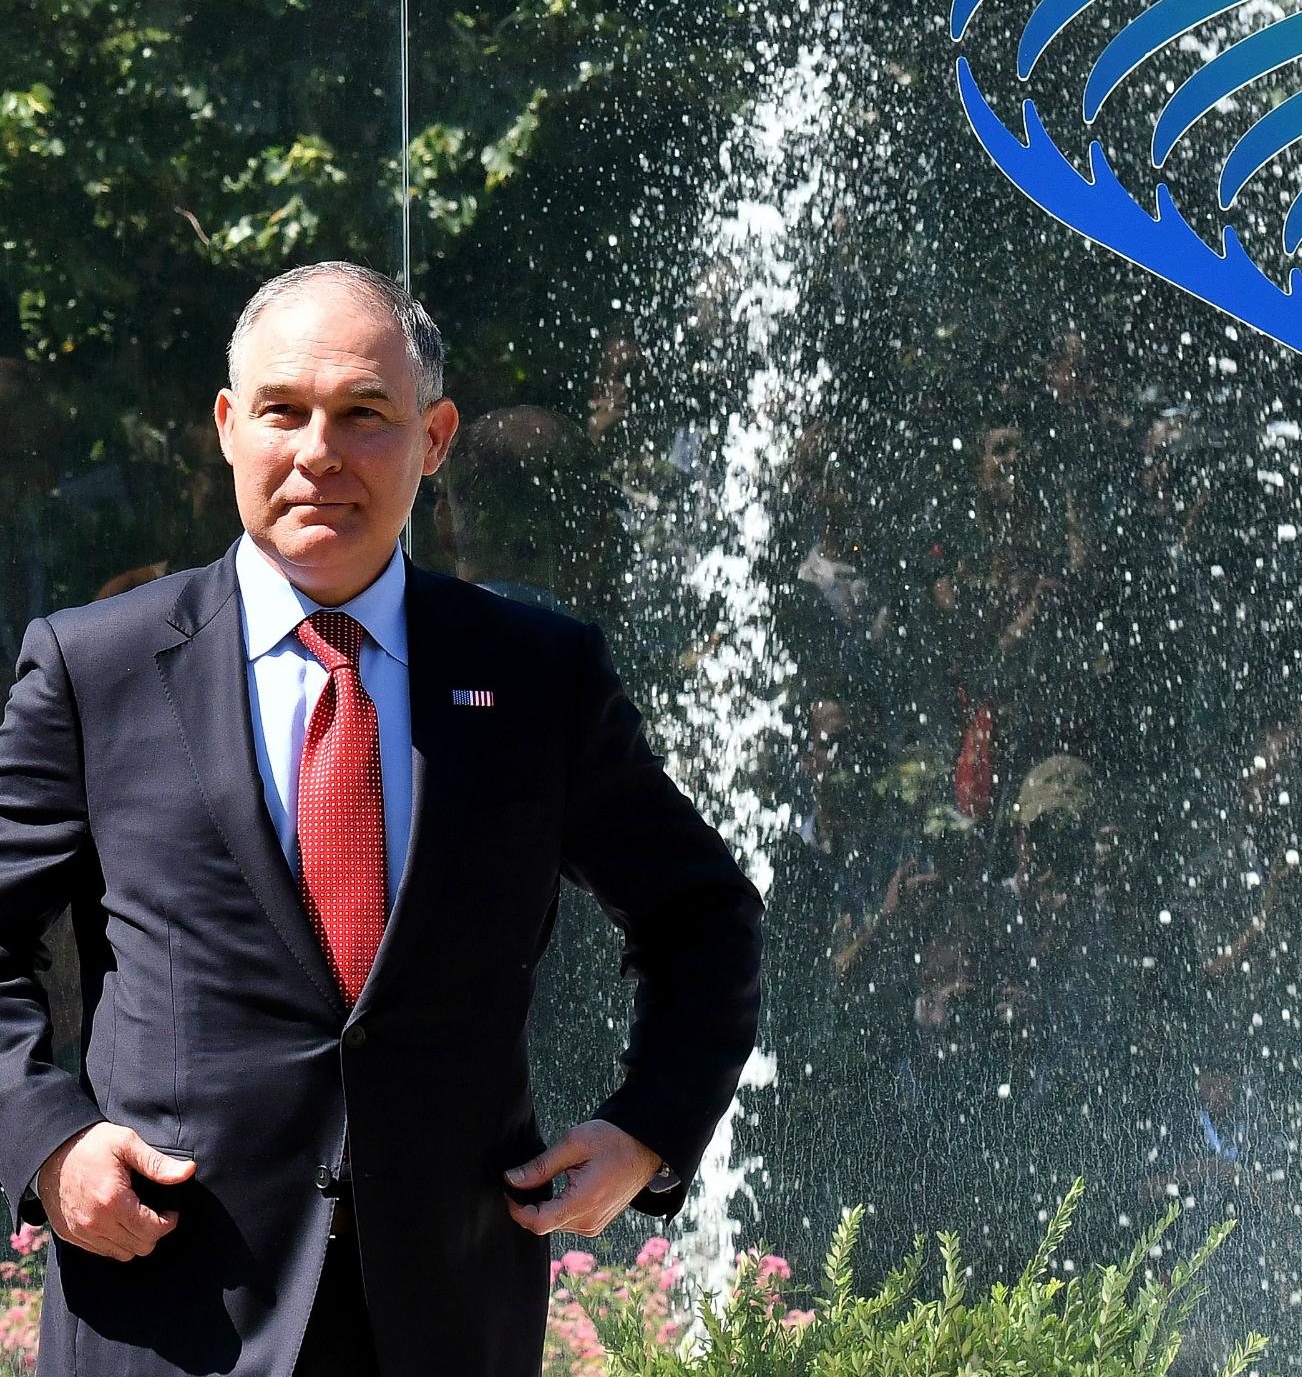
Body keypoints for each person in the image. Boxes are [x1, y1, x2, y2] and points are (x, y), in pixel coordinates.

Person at [0, 262, 765, 1376]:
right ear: (228, 425)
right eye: (282, 412)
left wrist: (649, 1127)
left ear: (435, 437)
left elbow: (703, 916)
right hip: (167, 1307)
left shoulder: (536, 674)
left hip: (448, 1312)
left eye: (365, 415)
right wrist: (49, 1143)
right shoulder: (97, 668)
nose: (319, 453)